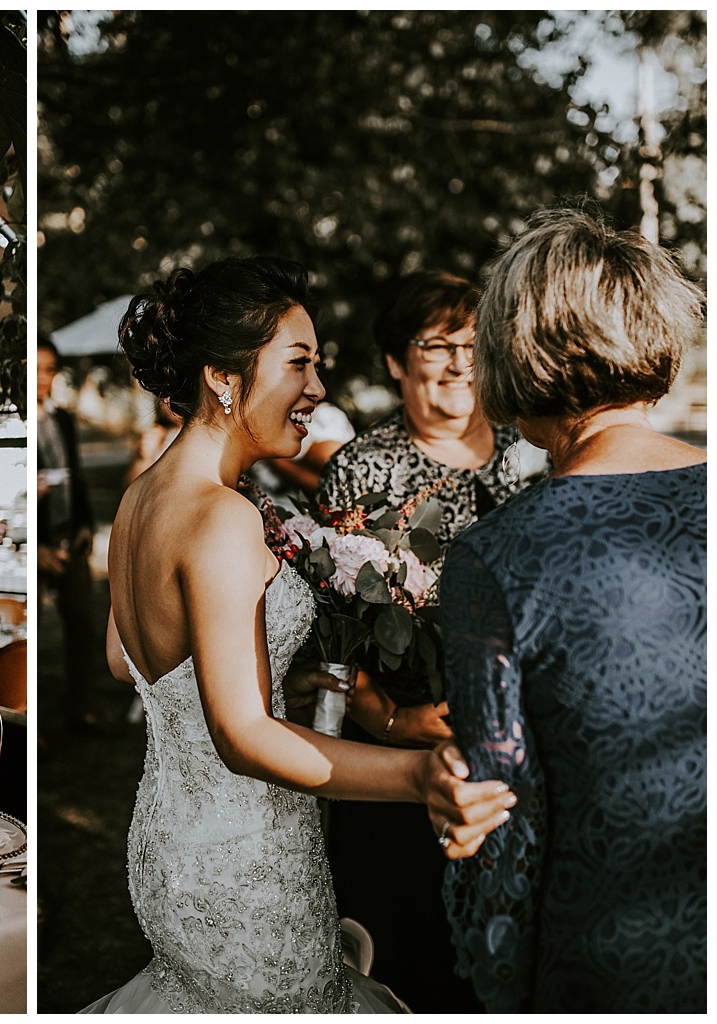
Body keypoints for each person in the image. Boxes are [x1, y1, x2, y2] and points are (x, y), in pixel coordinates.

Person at [82, 256, 514, 1013]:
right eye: (299, 363)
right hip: (247, 860)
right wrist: (419, 778)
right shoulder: (221, 517)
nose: (317, 389)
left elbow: (125, 662)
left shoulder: (141, 496)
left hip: (170, 842)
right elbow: (243, 735)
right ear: (223, 376)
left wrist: (281, 670)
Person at [441, 209, 705, 1012]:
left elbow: (500, 815)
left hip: (610, 956)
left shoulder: (497, 555)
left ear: (513, 356)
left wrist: (497, 987)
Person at [308, 270, 522, 1012]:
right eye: (436, 343)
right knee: (402, 950)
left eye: (472, 341)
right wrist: (385, 718)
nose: (460, 360)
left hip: (515, 748)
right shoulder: (360, 470)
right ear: (397, 361)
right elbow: (324, 633)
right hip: (396, 755)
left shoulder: (531, 461)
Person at [35, 336, 110, 737]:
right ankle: (35, 733)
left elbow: (77, 475)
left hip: (71, 536)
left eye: (49, 369)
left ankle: (84, 711)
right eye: (35, 370)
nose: (43, 378)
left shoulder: (61, 418)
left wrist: (86, 524)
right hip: (39, 544)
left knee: (83, 626)